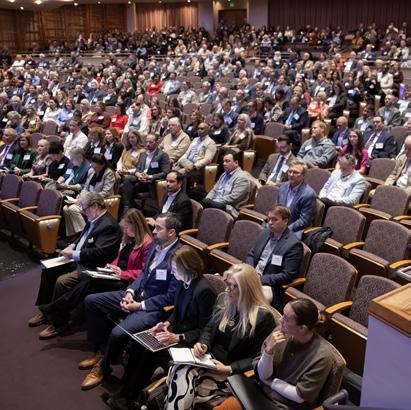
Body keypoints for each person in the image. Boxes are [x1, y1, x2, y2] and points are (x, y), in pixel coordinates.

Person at [104, 245, 217, 410]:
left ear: (187, 267)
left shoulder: (204, 291)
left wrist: (178, 337)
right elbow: (176, 311)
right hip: (175, 330)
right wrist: (166, 324)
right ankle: (123, 391)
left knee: (150, 351)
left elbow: (205, 328)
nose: (172, 272)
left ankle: (129, 399)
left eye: (175, 268)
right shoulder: (183, 281)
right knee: (138, 343)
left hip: (190, 340)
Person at [80, 213, 182, 390]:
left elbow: (171, 296)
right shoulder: (155, 245)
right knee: (91, 301)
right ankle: (102, 352)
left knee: (117, 333)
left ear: (172, 232)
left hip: (153, 308)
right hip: (136, 295)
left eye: (159, 228)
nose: (153, 231)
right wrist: (130, 291)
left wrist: (139, 305)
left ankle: (104, 367)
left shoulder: (179, 256)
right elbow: (143, 274)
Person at [164, 263, 277, 409]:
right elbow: (209, 328)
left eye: (232, 286)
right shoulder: (223, 300)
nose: (227, 289)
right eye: (227, 284)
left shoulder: (263, 317)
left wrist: (229, 368)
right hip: (208, 360)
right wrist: (203, 344)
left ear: (246, 289)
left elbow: (258, 358)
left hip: (230, 371)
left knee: (182, 381)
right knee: (179, 369)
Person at [37, 209, 152, 339]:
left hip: (126, 281)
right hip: (115, 275)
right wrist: (112, 266)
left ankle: (56, 307)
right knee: (88, 279)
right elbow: (120, 258)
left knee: (89, 282)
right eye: (124, 228)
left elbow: (143, 272)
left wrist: (123, 273)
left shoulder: (147, 244)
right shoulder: (129, 238)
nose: (124, 231)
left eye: (127, 227)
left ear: (136, 224)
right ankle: (57, 307)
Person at [28, 192, 122, 334]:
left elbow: (99, 253)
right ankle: (45, 311)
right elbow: (82, 238)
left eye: (84, 208)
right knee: (48, 271)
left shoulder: (109, 226)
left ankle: (59, 323)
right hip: (79, 259)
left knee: (62, 281)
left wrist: (74, 254)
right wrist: (72, 246)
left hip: (93, 266)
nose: (83, 211)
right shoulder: (93, 218)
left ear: (95, 206)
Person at [253, 299, 338, 409]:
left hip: (284, 405)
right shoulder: (280, 332)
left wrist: (272, 383)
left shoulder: (323, 356)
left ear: (302, 328)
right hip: (260, 392)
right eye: (283, 314)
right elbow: (263, 375)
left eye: (286, 318)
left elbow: (300, 395)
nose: (280, 320)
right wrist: (268, 352)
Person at [246, 205, 303, 310]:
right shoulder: (264, 233)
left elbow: (288, 275)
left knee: (248, 298)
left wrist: (260, 279)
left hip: (270, 285)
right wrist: (250, 271)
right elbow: (251, 254)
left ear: (285, 221)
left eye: (274, 219)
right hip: (252, 275)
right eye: (269, 219)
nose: (270, 222)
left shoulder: (293, 245)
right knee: (232, 284)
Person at [63, 153, 116, 237]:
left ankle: (86, 234)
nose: (94, 169)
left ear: (102, 165)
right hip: (88, 199)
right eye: (93, 166)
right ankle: (74, 235)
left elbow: (106, 192)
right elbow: (85, 187)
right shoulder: (91, 171)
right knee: (66, 208)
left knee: (73, 209)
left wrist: (88, 199)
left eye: (96, 167)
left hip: (99, 201)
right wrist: (81, 197)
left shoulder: (108, 173)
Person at [120, 133, 170, 212]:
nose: (148, 144)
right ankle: (127, 206)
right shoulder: (143, 154)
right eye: (147, 142)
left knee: (124, 187)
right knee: (127, 179)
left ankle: (129, 207)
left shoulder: (162, 155)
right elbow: (138, 168)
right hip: (141, 178)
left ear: (157, 142)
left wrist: (149, 177)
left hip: (151, 182)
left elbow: (165, 172)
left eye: (151, 142)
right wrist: (138, 174)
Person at [202, 150, 250, 218]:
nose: (224, 164)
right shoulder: (224, 174)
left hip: (228, 208)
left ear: (236, 163)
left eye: (227, 161)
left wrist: (213, 202)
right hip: (216, 203)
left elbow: (232, 198)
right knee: (200, 198)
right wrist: (208, 199)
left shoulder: (242, 178)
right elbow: (214, 190)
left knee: (205, 202)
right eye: (224, 161)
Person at [277, 160, 316, 239]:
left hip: (294, 230)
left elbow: (304, 221)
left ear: (303, 175)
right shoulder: (283, 187)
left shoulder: (308, 194)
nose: (291, 175)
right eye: (290, 171)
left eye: (296, 172)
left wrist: (284, 229)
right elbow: (277, 209)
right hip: (279, 225)